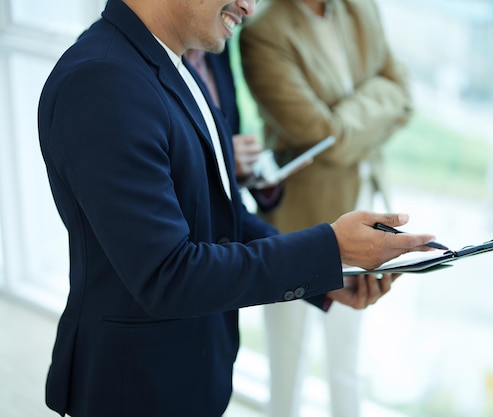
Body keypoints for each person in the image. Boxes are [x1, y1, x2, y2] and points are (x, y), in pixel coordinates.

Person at [37, 1, 436, 417]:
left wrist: (327, 277)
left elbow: (221, 217)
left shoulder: (174, 64)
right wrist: (330, 248)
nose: (249, 4)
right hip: (134, 389)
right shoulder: (102, 81)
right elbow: (167, 275)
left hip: (189, 375)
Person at [239, 0, 414, 415]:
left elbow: (404, 95)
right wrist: (374, 108)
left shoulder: (360, 8)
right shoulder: (263, 31)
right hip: (294, 225)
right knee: (288, 365)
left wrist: (346, 124)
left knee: (348, 360)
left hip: (363, 204)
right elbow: (324, 136)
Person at [184, 45, 283, 212]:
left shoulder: (218, 51)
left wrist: (252, 172)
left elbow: (230, 135)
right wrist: (222, 162)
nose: (248, 16)